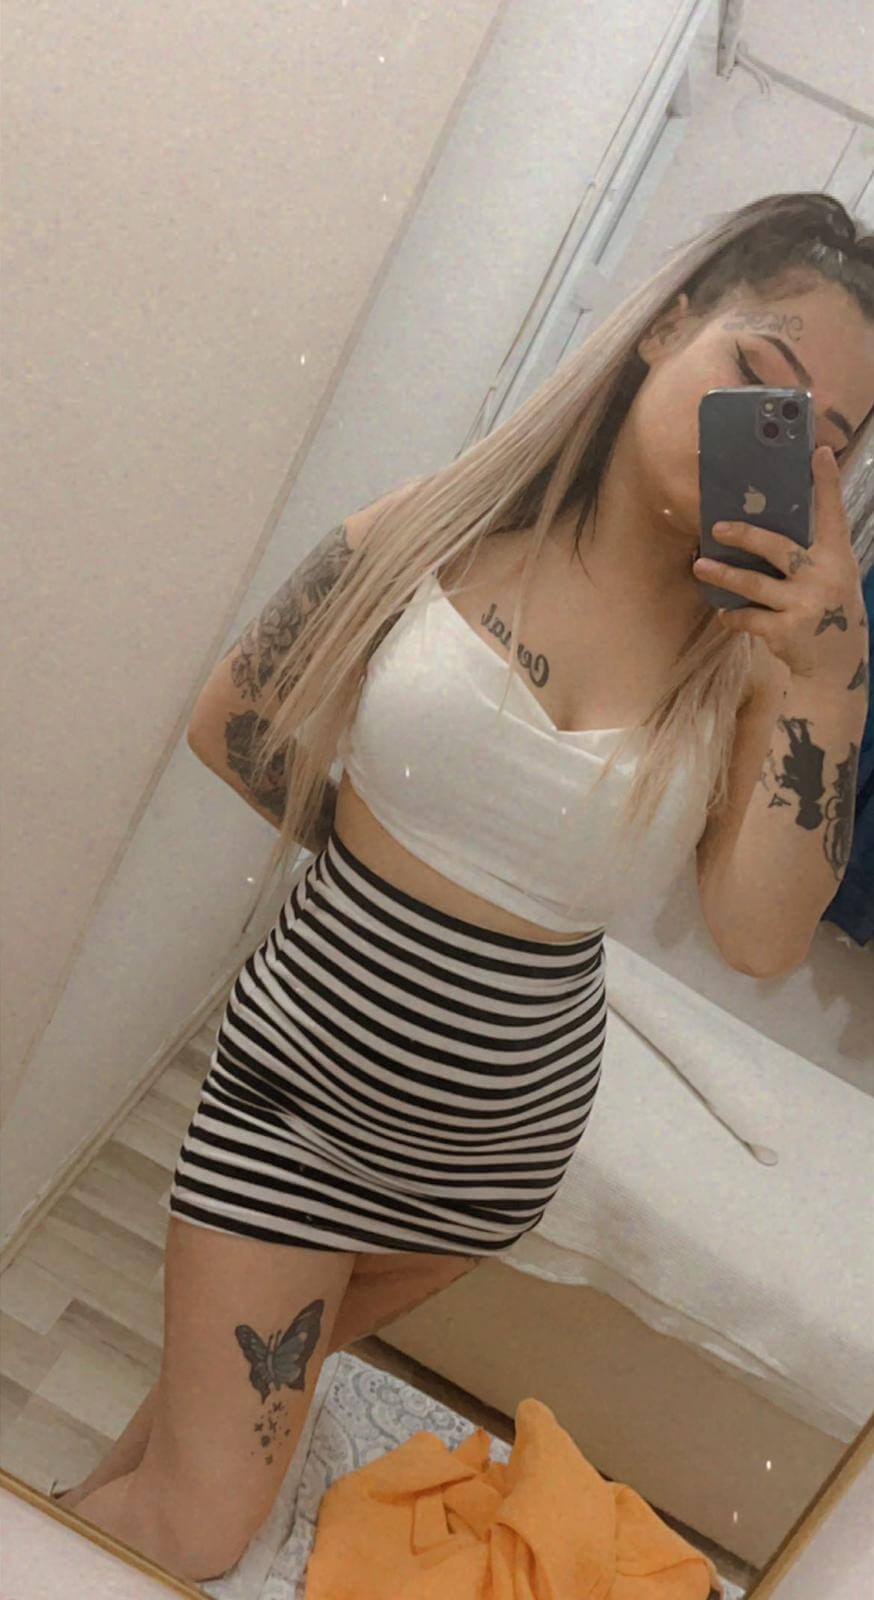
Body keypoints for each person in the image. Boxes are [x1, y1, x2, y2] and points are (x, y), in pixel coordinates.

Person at [61, 192, 873, 1583]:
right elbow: (235, 719)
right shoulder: (448, 522)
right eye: (760, 376)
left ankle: (70, 1525)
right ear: (667, 325)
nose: (780, 442)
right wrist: (385, 880)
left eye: (829, 441)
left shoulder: (758, 671)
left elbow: (755, 935)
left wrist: (828, 681)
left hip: (490, 1171)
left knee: (199, 1448)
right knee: (206, 1518)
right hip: (301, 1112)